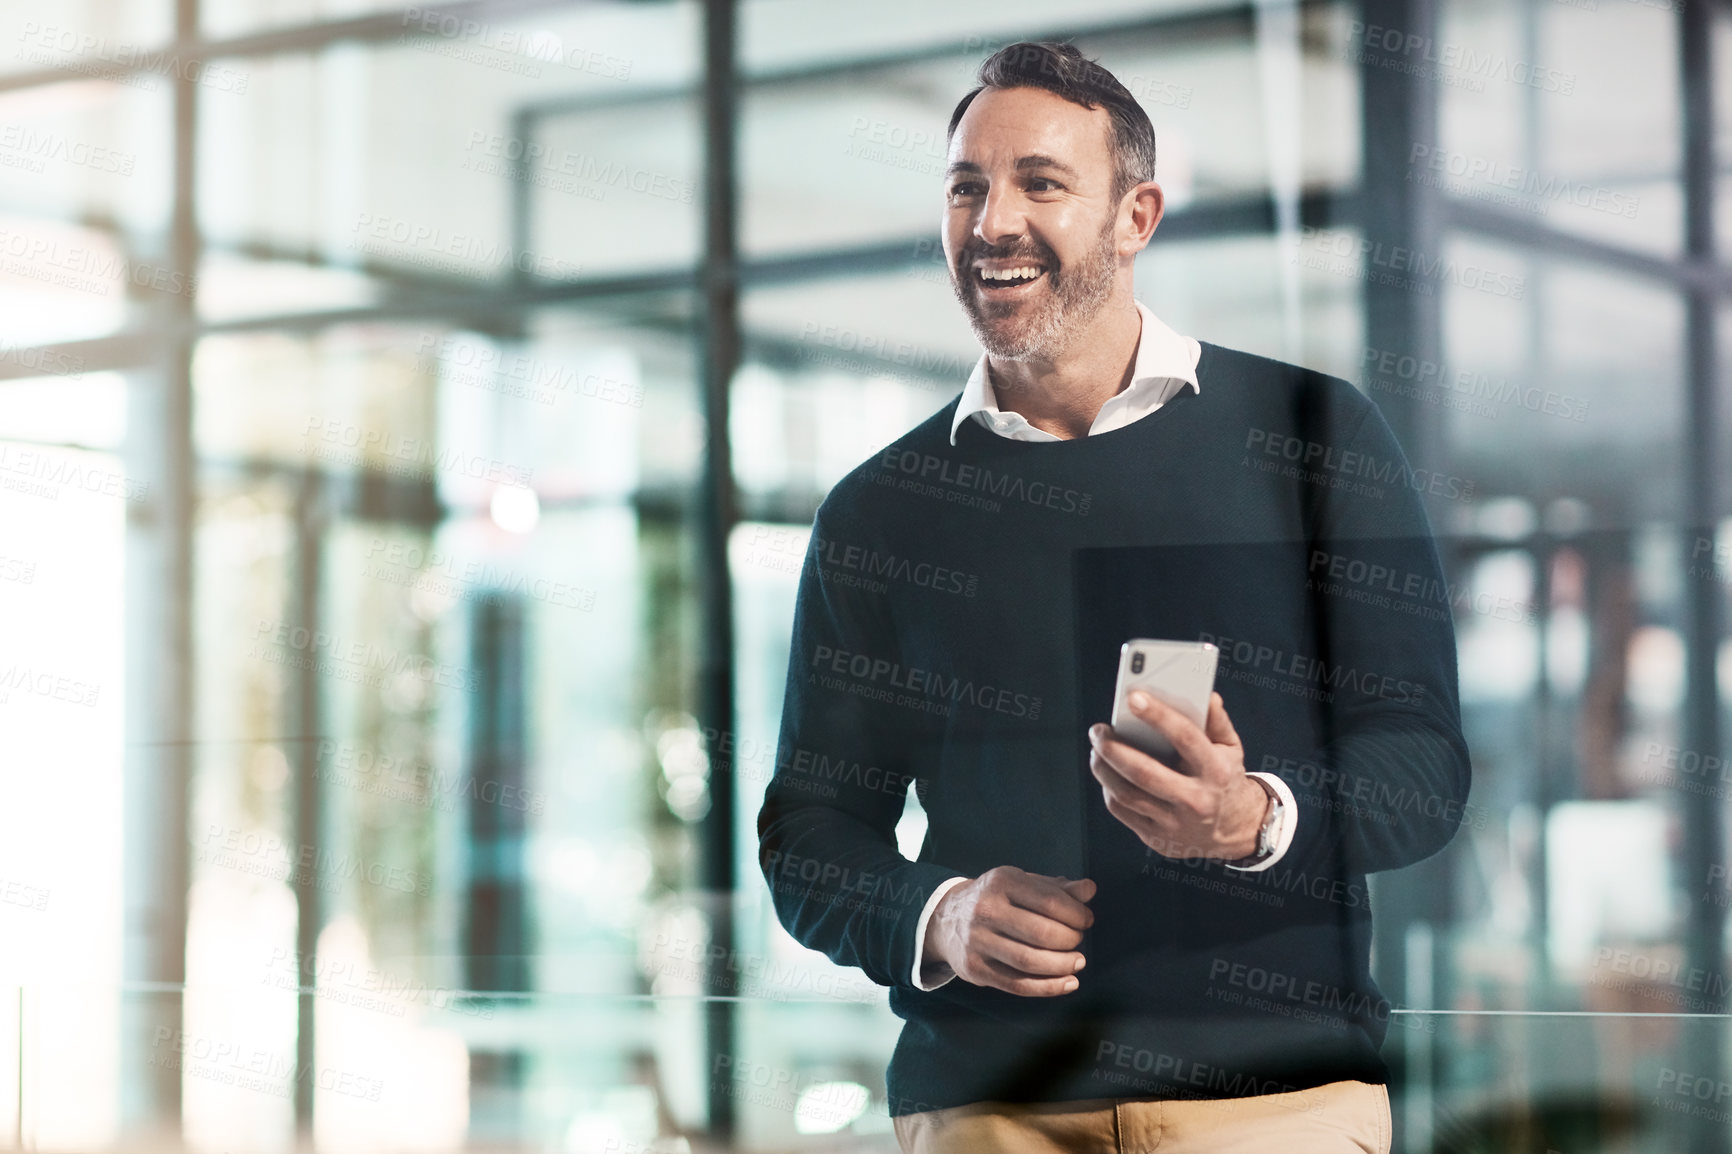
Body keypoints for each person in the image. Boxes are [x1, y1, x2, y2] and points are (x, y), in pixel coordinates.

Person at [757, 40, 1470, 1154]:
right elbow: (809, 829)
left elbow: (1423, 769)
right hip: (989, 1107)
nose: (991, 221)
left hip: (1272, 1105)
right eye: (966, 186)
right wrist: (938, 915)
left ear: (1135, 216)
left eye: (1040, 182)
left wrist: (1249, 818)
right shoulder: (878, 512)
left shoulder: (1313, 439)